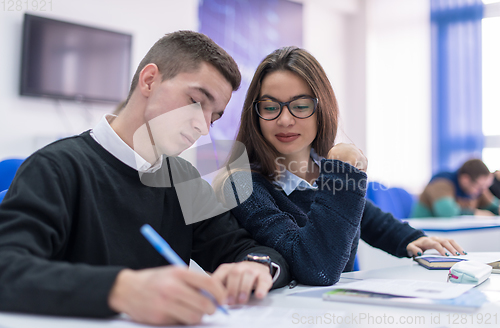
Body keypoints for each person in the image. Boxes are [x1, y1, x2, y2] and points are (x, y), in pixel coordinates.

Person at [0, 31, 291, 326]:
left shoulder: (183, 179)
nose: (203, 128)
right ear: (150, 80)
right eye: (195, 101)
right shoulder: (56, 168)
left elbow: (244, 249)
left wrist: (257, 267)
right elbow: (6, 268)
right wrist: (121, 289)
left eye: (213, 117)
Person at [217, 46, 465, 286]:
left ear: (322, 109)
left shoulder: (322, 170)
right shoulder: (242, 183)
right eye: (270, 107)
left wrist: (415, 239)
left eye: (301, 106)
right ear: (255, 114)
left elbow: (369, 219)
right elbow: (317, 267)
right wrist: (341, 171)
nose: (284, 120)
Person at [412, 159, 499, 218]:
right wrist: (475, 213)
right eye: (479, 187)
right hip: (424, 232)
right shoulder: (441, 183)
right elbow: (447, 212)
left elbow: (495, 206)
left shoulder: (476, 189)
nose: (482, 191)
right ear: (466, 179)